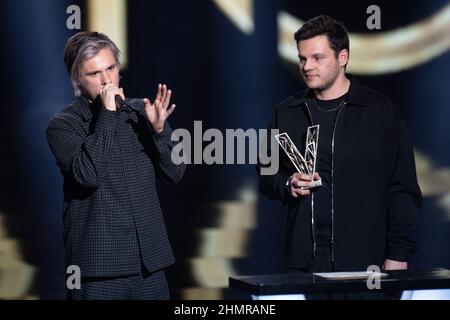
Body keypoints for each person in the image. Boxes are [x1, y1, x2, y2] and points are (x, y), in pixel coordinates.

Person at [257, 15, 421, 283]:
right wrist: (288, 184)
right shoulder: (285, 113)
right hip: (302, 264)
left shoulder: (380, 112)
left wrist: (398, 253)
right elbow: (266, 176)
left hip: (366, 263)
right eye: (302, 58)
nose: (307, 66)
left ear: (342, 57)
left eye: (317, 58)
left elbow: (402, 188)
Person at [46, 31, 185, 300]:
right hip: (99, 270)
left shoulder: (141, 113)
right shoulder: (63, 124)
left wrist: (159, 133)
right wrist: (108, 116)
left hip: (150, 266)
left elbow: (176, 173)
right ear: (77, 79)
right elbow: (88, 174)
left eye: (111, 68)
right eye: (94, 73)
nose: (107, 80)